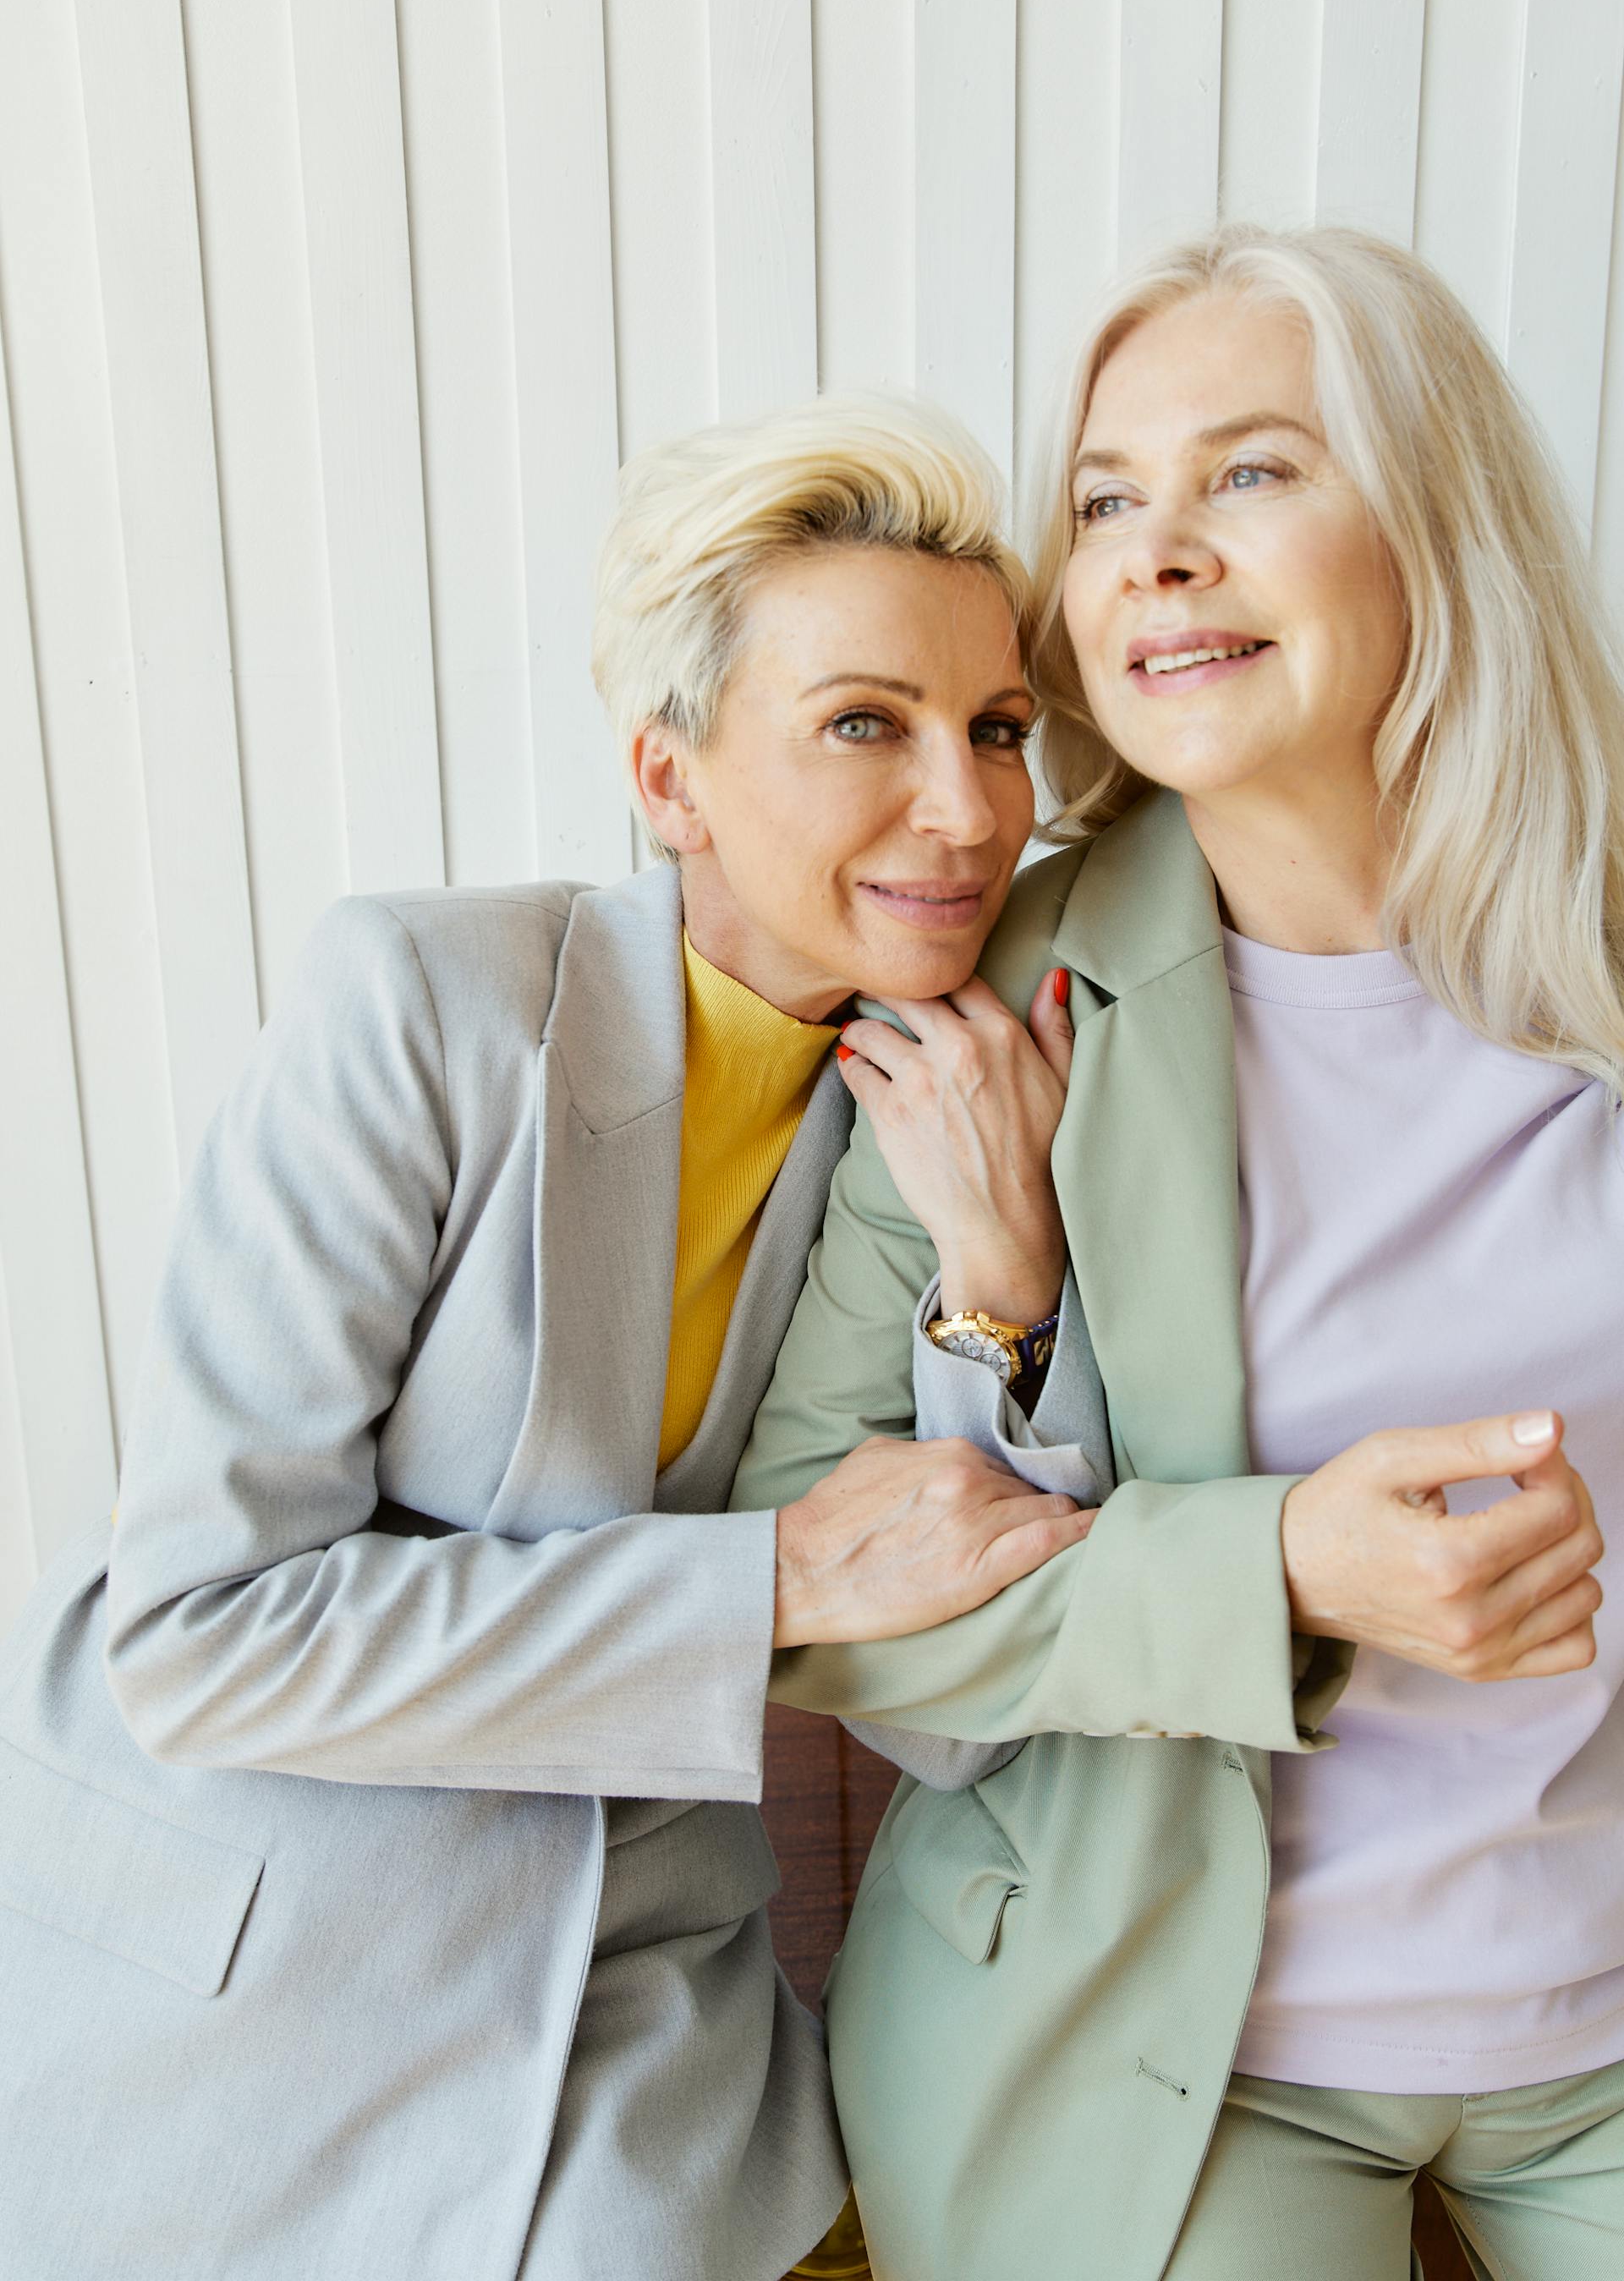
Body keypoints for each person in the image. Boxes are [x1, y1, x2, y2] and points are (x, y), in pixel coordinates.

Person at [0, 395, 1090, 2281]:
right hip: (252, 1956)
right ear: (670, 783)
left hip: (638, 2010)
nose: (973, 806)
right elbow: (192, 1636)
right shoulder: (419, 1006)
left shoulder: (980, 1092)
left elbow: (967, 1723)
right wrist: (766, 1585)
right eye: (865, 724)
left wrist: (1004, 1270)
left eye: (997, 728)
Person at [732, 228, 1624, 2280]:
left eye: (1251, 473)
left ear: (1437, 522)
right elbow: (804, 1566)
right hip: (1176, 2046)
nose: (1157, 550)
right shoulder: (984, 995)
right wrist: (1277, 1567)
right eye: (1108, 498)